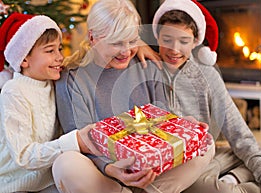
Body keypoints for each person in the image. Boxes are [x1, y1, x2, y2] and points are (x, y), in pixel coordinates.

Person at [54, 0, 215, 192]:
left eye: (132, 41)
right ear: (93, 38)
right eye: (117, 43)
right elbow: (80, 141)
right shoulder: (72, 80)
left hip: (154, 169)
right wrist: (111, 168)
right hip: (105, 174)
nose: (126, 51)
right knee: (66, 164)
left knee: (206, 142)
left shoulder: (147, 66)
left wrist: (184, 127)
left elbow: (164, 122)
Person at [152, 0, 261, 193]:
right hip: (182, 172)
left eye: (183, 41)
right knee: (216, 189)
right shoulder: (146, 71)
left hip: (212, 156)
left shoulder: (207, 75)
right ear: (157, 38)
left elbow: (237, 132)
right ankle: (239, 181)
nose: (174, 49)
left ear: (195, 41)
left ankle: (237, 176)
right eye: (167, 39)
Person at [0, 13, 95, 193]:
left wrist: (136, 46)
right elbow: (24, 156)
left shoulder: (53, 79)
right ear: (24, 59)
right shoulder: (14, 91)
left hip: (50, 177)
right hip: (17, 186)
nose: (59, 57)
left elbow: (85, 56)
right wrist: (74, 141)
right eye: (50, 51)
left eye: (59, 49)